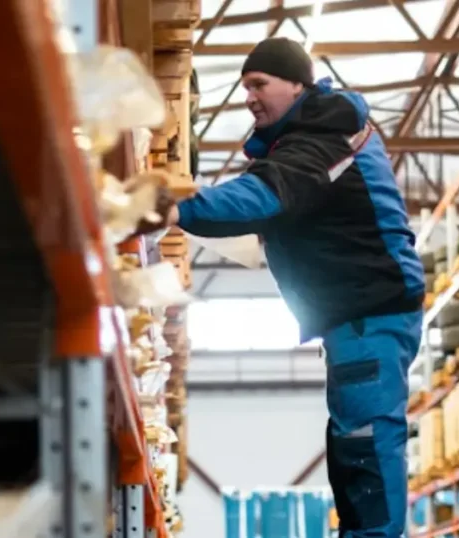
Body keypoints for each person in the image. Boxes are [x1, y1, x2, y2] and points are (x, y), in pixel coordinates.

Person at [142, 37, 425, 538]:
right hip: (356, 312)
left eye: (259, 84)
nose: (249, 96)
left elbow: (265, 194)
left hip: (372, 308)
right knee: (348, 440)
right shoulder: (311, 136)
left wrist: (175, 209)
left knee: (366, 436)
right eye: (244, 86)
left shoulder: (327, 133)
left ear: (298, 83)